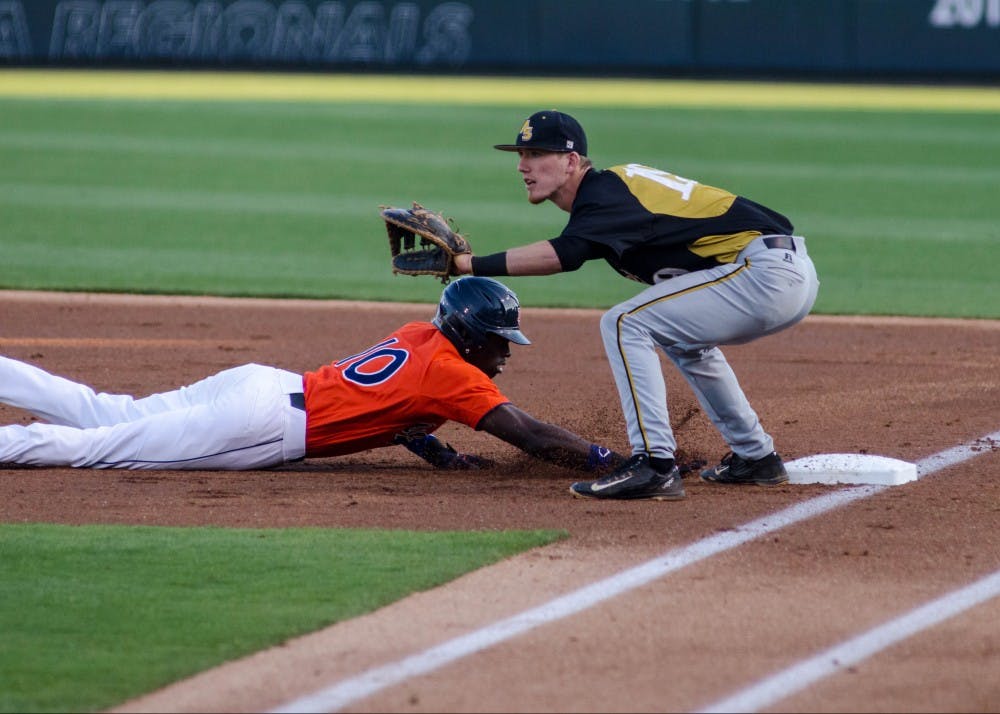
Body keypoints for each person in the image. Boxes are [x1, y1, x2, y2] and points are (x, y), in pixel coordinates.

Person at [452, 110, 819, 501]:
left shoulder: (607, 191)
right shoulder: (605, 202)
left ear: (572, 161)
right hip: (779, 272)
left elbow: (566, 254)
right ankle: (756, 456)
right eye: (520, 154)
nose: (523, 165)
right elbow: (578, 246)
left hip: (764, 272)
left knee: (625, 322)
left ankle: (654, 464)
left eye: (537, 153)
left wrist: (470, 265)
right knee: (683, 342)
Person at [0, 277, 627, 478]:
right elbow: (530, 435)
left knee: (106, 411)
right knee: (102, 450)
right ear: (469, 334)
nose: (507, 351)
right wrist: (608, 460)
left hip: (256, 385)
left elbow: (390, 402)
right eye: (499, 339)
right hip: (262, 423)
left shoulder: (421, 335)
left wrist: (435, 449)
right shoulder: (454, 376)